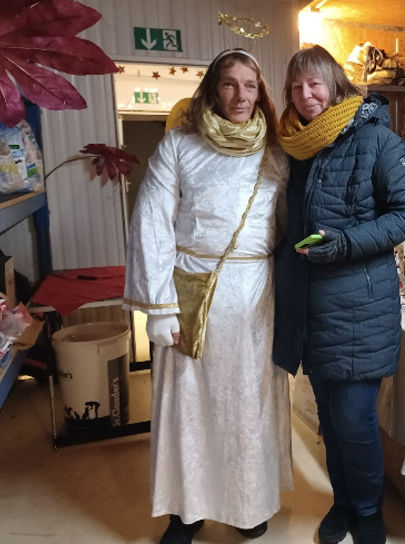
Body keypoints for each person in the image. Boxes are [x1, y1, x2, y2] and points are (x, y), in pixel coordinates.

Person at [123, 48, 292, 544]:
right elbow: (151, 222)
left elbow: (289, 225)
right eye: (229, 84)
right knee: (189, 405)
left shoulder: (277, 152)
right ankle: (187, 510)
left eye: (250, 85)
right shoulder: (179, 146)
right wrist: (158, 306)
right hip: (193, 293)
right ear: (213, 90)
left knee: (249, 403)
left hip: (256, 296)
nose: (240, 95)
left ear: (261, 93)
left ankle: (247, 503)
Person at [273, 45, 405, 544]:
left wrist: (345, 243)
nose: (305, 95)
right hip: (309, 307)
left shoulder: (377, 140)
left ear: (335, 84)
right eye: (296, 87)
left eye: (314, 83)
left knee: (354, 419)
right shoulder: (294, 148)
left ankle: (369, 512)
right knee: (331, 422)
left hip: (360, 303)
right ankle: (342, 503)